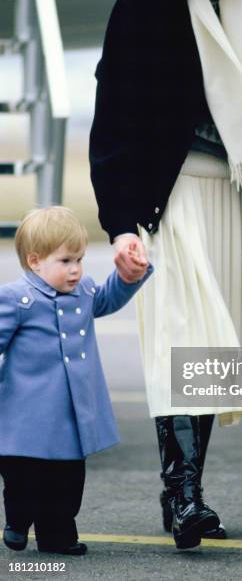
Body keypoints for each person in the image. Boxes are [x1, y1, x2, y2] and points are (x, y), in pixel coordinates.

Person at [90, 0, 242, 549]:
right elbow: (112, 113)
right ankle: (186, 497)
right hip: (171, 192)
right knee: (184, 334)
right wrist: (118, 225)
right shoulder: (145, 0)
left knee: (216, 348)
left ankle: (181, 492)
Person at [0, 207, 151, 555]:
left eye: (80, 259)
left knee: (67, 482)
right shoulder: (17, 298)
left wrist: (129, 276)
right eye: (66, 260)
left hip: (69, 415)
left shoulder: (82, 291)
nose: (76, 269)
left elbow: (107, 299)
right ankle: (18, 521)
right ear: (35, 262)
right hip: (24, 415)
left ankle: (58, 535)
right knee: (24, 476)